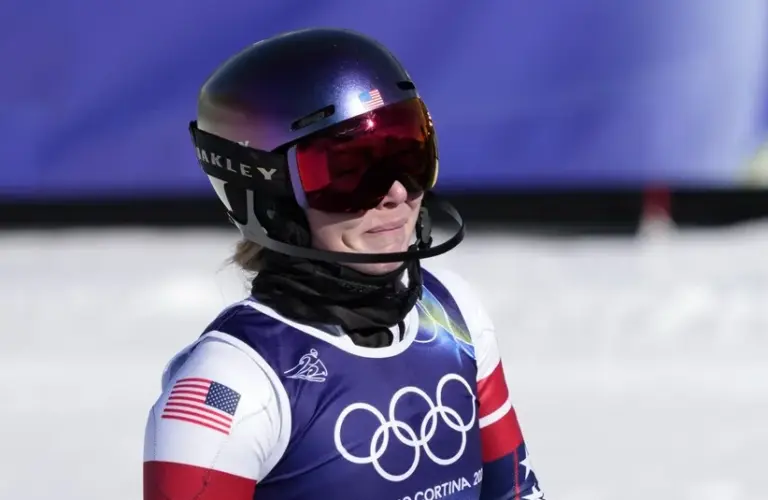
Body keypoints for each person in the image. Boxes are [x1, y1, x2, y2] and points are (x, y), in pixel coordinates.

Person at [142, 28, 545, 500]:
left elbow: (514, 492)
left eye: (410, 154)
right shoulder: (229, 383)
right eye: (351, 173)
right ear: (270, 198)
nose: (397, 194)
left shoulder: (451, 312)